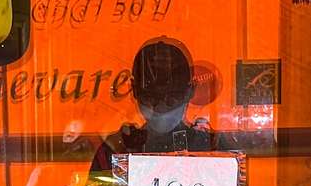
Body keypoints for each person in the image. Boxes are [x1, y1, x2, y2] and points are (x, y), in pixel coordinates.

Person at [88, 38, 216, 174]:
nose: (160, 107)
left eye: (172, 96)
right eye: (151, 96)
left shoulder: (116, 149)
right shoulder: (209, 147)